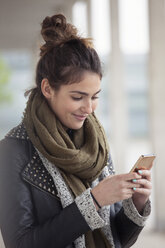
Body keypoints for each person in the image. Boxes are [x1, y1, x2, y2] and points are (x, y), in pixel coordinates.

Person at [0, 14, 151, 248]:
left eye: (95, 97)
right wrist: (94, 201)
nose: (89, 108)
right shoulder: (14, 150)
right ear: (48, 88)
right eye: (78, 97)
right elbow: (20, 243)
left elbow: (117, 239)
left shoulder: (96, 144)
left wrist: (138, 202)